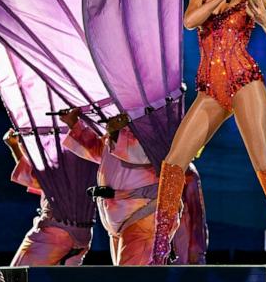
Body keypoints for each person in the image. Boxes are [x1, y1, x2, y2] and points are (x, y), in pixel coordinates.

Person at [150, 0, 266, 265]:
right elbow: (190, 22)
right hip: (210, 89)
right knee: (174, 161)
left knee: (263, 161)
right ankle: (160, 246)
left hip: (245, 81)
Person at [59, 109, 207, 265]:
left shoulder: (154, 131)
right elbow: (100, 151)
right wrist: (74, 125)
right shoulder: (117, 133)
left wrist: (117, 133)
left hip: (145, 214)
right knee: (128, 278)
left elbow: (145, 154)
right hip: (120, 218)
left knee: (133, 281)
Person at [3, 129, 93, 266]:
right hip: (83, 234)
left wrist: (15, 146)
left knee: (19, 280)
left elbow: (35, 179)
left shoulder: (58, 155)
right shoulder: (91, 151)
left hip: (55, 232)